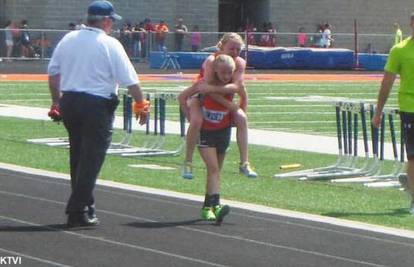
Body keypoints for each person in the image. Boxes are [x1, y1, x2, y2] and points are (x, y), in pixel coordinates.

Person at [47, 0, 149, 228]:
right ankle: (77, 210)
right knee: (91, 159)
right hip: (97, 105)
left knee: (78, 156)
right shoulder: (109, 43)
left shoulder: (68, 39)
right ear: (104, 20)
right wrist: (141, 104)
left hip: (70, 101)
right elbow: (130, 80)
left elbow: (53, 74)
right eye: (111, 20)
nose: (112, 24)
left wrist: (56, 101)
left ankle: (85, 206)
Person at [180, 32, 257, 179]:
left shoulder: (239, 62)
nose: (235, 53)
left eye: (238, 49)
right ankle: (188, 162)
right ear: (221, 47)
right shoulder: (211, 61)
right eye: (231, 49)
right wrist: (188, 114)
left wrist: (239, 109)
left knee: (242, 118)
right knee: (196, 121)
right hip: (201, 96)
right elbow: (204, 90)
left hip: (219, 97)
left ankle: (244, 162)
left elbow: (237, 88)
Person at [179, 54, 235, 222]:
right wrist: (190, 117)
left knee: (216, 172)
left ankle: (207, 207)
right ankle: (215, 206)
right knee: (213, 169)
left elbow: (243, 96)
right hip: (206, 132)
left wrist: (239, 116)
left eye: (229, 73)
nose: (226, 76)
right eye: (223, 73)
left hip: (223, 130)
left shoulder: (232, 86)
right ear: (215, 71)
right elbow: (182, 97)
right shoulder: (202, 86)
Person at [372, 13, 414, 215]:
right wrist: (378, 111)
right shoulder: (400, 50)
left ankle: (409, 179)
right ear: (412, 24)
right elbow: (387, 82)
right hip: (410, 108)